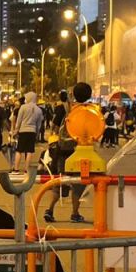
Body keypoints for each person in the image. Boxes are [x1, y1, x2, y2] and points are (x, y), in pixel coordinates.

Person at [43, 81, 99, 224]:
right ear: (89, 95)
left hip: (63, 152)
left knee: (60, 182)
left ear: (73, 94)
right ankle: (75, 213)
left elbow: (59, 128)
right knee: (79, 184)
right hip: (82, 153)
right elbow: (96, 132)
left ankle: (49, 210)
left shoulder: (68, 109)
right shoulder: (92, 111)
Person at [12, 91, 45, 172]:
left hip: (23, 131)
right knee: (30, 151)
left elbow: (19, 120)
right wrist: (37, 133)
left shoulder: (23, 107)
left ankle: (16, 169)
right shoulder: (39, 110)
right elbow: (39, 124)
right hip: (32, 132)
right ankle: (26, 169)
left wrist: (16, 131)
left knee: (19, 150)